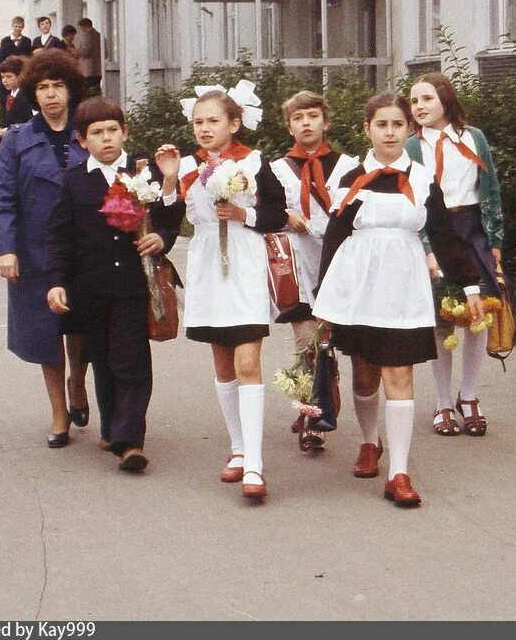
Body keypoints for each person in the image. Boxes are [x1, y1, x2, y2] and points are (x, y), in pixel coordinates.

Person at [312, 93, 484, 507]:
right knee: (365, 374)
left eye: (397, 125)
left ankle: (399, 472)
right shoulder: (349, 177)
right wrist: (324, 303)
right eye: (381, 125)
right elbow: (335, 239)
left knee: (400, 374)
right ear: (367, 129)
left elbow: (444, 237)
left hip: (404, 287)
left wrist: (471, 286)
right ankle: (370, 442)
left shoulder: (424, 180)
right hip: (358, 287)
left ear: (409, 130)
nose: (389, 133)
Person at [46, 96, 181, 472]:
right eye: (96, 133)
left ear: (125, 132)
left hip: (134, 284)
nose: (106, 139)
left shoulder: (144, 172)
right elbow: (61, 236)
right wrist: (56, 282)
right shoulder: (74, 181)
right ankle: (111, 426)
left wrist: (163, 238)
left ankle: (129, 441)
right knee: (102, 358)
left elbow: (171, 216)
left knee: (131, 358)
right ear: (81, 140)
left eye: (112, 130)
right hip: (90, 286)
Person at [167, 82, 286, 500]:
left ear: (234, 123)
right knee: (222, 361)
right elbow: (166, 218)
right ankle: (236, 448)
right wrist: (166, 184)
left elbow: (276, 212)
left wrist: (244, 213)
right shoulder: (184, 165)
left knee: (248, 359)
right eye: (198, 121)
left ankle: (255, 463)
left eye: (213, 120)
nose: (204, 128)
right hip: (206, 266)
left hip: (244, 262)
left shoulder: (254, 161)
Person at [0, 49, 92, 448]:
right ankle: (58, 411)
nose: (50, 95)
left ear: (71, 89)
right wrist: (5, 249)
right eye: (43, 87)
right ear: (33, 93)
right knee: (47, 330)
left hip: (84, 248)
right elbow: (1, 198)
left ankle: (78, 382)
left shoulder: (89, 130)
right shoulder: (17, 139)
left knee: (80, 324)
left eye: (58, 86)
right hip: (35, 250)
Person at [406, 73, 505, 437]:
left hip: (473, 230)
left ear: (445, 100)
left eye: (427, 99)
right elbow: (412, 201)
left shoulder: (473, 137)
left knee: (480, 314)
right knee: (443, 318)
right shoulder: (412, 146)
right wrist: (427, 249)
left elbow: (490, 187)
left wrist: (495, 241)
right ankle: (444, 401)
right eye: (414, 101)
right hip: (436, 230)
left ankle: (470, 396)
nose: (419, 107)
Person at [268, 91, 357, 441]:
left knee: (329, 341)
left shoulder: (349, 165)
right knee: (306, 342)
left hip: (337, 263)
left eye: (313, 116)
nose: (306, 123)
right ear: (289, 125)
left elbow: (354, 211)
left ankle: (324, 398)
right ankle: (313, 414)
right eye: (298, 117)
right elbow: (266, 214)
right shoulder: (276, 170)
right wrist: (285, 215)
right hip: (298, 266)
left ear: (326, 121)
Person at [0, 57, 36, 126]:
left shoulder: (27, 96)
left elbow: (32, 120)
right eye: (2, 77)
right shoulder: (9, 96)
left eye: (9, 77)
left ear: (20, 76)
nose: (4, 81)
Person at [75, 18, 102, 90]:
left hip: (88, 69)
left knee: (88, 92)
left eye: (80, 28)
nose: (81, 30)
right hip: (99, 69)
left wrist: (76, 51)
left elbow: (86, 51)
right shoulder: (99, 35)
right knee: (96, 90)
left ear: (83, 26)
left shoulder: (86, 35)